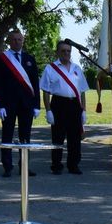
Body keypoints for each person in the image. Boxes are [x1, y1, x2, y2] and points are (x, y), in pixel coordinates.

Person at [0, 30, 40, 178]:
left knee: (25, 136)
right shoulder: (2, 59)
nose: (17, 42)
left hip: (26, 104)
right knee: (7, 135)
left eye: (20, 40)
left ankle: (24, 166)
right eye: (14, 40)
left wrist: (36, 105)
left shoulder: (29, 59)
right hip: (8, 104)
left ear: (23, 41)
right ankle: (7, 166)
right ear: (9, 41)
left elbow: (35, 84)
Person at [40, 40, 88, 175]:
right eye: (63, 51)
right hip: (58, 104)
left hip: (74, 105)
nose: (66, 53)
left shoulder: (77, 68)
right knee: (58, 137)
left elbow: (82, 91)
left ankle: (73, 165)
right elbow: (45, 91)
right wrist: (48, 110)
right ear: (57, 52)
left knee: (75, 137)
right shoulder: (50, 68)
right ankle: (56, 165)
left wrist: (83, 110)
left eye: (68, 51)